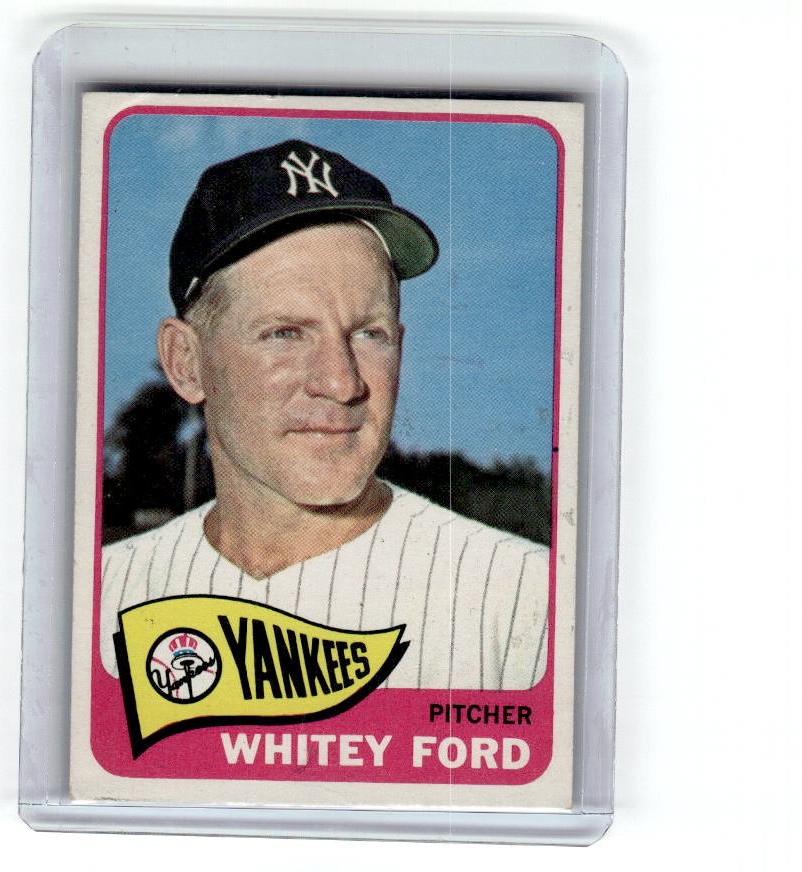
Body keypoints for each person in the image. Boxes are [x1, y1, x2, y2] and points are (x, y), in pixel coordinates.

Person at [100, 139, 549, 690]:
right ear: (186, 363)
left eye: (369, 334)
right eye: (285, 333)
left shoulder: (525, 600)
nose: (342, 383)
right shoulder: (99, 601)